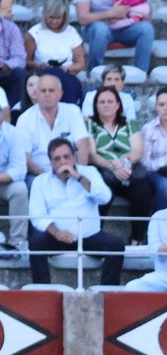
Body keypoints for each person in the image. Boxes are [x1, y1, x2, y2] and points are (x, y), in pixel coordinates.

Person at [28, 136, 123, 285]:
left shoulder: (89, 172)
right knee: (36, 244)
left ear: (74, 157)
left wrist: (79, 177)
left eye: (66, 157)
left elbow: (105, 197)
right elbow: (37, 215)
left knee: (116, 246)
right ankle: (43, 291)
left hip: (89, 236)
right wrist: (57, 233)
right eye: (57, 159)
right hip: (58, 236)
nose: (63, 162)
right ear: (51, 162)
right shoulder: (40, 181)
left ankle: (107, 292)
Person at [85, 85, 150, 242]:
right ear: (96, 105)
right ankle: (95, 236)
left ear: (118, 105)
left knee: (143, 191)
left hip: (127, 169)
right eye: (101, 102)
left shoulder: (129, 124)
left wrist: (122, 163)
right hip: (103, 169)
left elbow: (138, 150)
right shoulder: (89, 124)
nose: (106, 105)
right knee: (102, 191)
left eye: (110, 101)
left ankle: (137, 239)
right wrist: (112, 166)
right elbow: (91, 155)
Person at [73, 0, 154, 77]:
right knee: (101, 29)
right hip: (95, 28)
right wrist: (110, 14)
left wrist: (145, 11)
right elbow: (82, 18)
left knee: (147, 28)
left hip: (122, 24)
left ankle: (140, 75)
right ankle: (94, 75)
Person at [15, 73, 89, 177]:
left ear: (60, 94)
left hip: (72, 172)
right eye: (43, 91)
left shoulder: (73, 111)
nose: (47, 94)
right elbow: (26, 158)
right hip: (39, 175)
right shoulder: (24, 119)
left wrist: (79, 174)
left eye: (51, 90)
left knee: (92, 187)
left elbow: (83, 144)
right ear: (36, 94)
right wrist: (52, 179)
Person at [25, 0, 87, 106]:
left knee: (67, 80)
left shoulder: (71, 32)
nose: (54, 21)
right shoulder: (34, 33)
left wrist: (67, 68)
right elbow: (26, 62)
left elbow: (80, 63)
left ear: (64, 17)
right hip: (41, 74)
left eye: (58, 18)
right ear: (45, 15)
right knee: (54, 73)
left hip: (67, 73)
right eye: (51, 17)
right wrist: (39, 65)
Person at [0, 116, 26, 250]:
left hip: (4, 180)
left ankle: (18, 241)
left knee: (20, 190)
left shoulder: (13, 133)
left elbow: (19, 169)